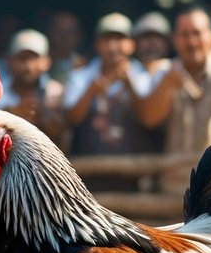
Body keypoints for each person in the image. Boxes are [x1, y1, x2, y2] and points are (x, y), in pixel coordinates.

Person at [138, 5, 211, 186]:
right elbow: (149, 119)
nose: (191, 42)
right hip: (174, 185)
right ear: (175, 40)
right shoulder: (166, 73)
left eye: (197, 33)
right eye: (184, 35)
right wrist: (166, 85)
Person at [63, 12, 158, 192]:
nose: (113, 46)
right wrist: (91, 91)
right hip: (88, 177)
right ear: (98, 45)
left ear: (131, 44)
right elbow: (71, 119)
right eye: (107, 39)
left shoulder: (144, 77)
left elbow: (149, 119)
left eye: (120, 39)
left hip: (134, 176)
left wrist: (130, 86)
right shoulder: (81, 77)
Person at [0, 28, 66, 147]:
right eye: (22, 58)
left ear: (47, 61)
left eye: (34, 58)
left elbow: (62, 138)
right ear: (9, 61)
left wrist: (44, 119)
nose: (28, 66)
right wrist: (13, 116)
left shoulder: (57, 92)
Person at [47, 10, 87, 82]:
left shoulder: (84, 66)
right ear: (50, 32)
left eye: (70, 32)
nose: (64, 37)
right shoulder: (37, 63)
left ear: (79, 36)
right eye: (59, 31)